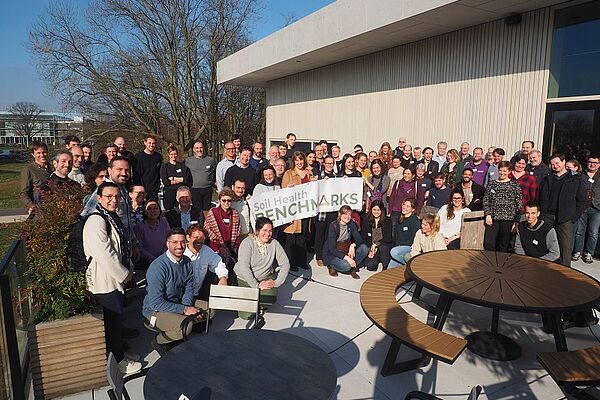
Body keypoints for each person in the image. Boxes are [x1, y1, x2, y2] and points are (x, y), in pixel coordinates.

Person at [83, 182, 140, 374]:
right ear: (98, 198)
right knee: (112, 323)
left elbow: (120, 245)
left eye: (116, 196)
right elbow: (105, 254)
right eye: (108, 196)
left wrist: (128, 265)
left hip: (113, 279)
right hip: (103, 282)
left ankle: (118, 355)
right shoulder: (96, 221)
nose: (113, 200)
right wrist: (124, 275)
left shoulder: (111, 217)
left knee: (116, 321)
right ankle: (118, 362)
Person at [142, 228, 206, 353]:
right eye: (175, 242)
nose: (179, 246)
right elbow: (156, 303)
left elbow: (189, 287)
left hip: (178, 303)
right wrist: (184, 310)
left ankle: (178, 332)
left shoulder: (186, 261)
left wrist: (185, 306)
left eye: (182, 242)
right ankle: (159, 341)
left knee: (210, 310)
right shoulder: (158, 267)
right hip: (154, 311)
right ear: (167, 244)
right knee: (186, 326)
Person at [234, 217, 291, 319]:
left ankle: (258, 302)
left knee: (270, 298)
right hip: (244, 279)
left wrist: (277, 282)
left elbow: (285, 263)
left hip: (264, 277)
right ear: (257, 231)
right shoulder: (247, 243)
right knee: (246, 316)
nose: (268, 234)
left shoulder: (274, 243)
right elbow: (244, 267)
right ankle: (247, 298)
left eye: (270, 231)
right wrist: (257, 286)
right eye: (264, 230)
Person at [538, 153, 587, 266]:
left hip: (565, 219)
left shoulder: (575, 179)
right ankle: (545, 269)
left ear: (564, 162)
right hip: (547, 216)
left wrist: (573, 218)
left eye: (557, 163)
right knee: (546, 245)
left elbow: (581, 200)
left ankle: (565, 273)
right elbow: (539, 197)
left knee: (565, 247)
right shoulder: (547, 178)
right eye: (552, 164)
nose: (555, 166)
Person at [281, 152, 313, 270]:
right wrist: (287, 188)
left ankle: (302, 261)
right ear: (293, 162)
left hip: (305, 210)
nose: (299, 162)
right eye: (297, 160)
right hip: (293, 211)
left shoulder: (309, 173)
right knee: (291, 238)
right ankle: (291, 263)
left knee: (302, 237)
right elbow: (283, 192)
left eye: (301, 160)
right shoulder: (288, 174)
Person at [483, 161, 522, 252]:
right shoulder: (492, 184)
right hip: (493, 218)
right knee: (489, 243)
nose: (502, 173)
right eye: (500, 170)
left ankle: (500, 264)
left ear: (509, 171)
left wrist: (516, 221)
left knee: (503, 245)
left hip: (508, 219)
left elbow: (518, 203)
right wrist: (487, 214)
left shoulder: (514, 184)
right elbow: (486, 199)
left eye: (504, 171)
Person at [184, 224, 228, 300]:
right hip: (181, 295)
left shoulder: (206, 251)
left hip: (198, 294)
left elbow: (218, 263)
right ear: (188, 237)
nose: (199, 240)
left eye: (202, 238)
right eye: (196, 237)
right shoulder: (181, 251)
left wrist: (223, 278)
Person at [322, 205, 368, 279]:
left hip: (345, 249)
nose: (347, 216)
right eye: (345, 214)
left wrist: (353, 245)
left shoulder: (351, 223)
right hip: (333, 253)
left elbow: (359, 240)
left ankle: (352, 268)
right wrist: (347, 258)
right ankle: (331, 266)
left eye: (349, 214)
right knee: (346, 266)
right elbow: (332, 249)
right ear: (340, 214)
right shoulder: (333, 225)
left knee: (364, 248)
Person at [573, 155, 600, 263]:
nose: (592, 164)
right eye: (590, 162)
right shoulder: (580, 175)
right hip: (582, 207)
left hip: (596, 208)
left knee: (593, 232)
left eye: (595, 163)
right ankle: (577, 251)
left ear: (599, 164)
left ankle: (589, 253)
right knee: (579, 231)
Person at [204, 188, 241, 268]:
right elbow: (208, 229)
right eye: (224, 200)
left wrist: (236, 246)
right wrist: (219, 246)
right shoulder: (213, 212)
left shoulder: (235, 213)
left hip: (231, 247)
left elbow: (238, 231)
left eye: (229, 200)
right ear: (219, 200)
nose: (226, 203)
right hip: (216, 247)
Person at [314, 156, 338, 266]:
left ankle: (326, 254)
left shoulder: (337, 177)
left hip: (332, 211)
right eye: (327, 163)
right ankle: (319, 256)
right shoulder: (319, 177)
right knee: (320, 234)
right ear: (323, 164)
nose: (329, 165)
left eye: (331, 163)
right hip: (322, 211)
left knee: (330, 234)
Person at [134, 200, 169, 270]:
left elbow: (169, 239)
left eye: (155, 208)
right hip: (147, 262)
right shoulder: (139, 227)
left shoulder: (164, 222)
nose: (153, 211)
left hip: (164, 258)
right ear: (145, 212)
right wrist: (154, 259)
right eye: (149, 209)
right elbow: (139, 248)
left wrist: (163, 257)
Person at [185, 140, 216, 216]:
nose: (199, 150)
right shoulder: (188, 161)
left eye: (201, 147)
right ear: (193, 150)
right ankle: (198, 226)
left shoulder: (210, 160)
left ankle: (207, 226)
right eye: (197, 148)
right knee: (197, 211)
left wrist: (214, 181)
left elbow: (214, 172)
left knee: (207, 210)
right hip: (194, 189)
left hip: (207, 188)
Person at [20, 141, 51, 214]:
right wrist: (31, 205)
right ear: (33, 154)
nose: (42, 155)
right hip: (40, 208)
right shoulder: (29, 169)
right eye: (38, 153)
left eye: (44, 152)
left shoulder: (53, 168)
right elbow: (24, 192)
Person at [388, 198, 420, 268]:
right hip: (398, 247)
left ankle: (412, 265)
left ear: (413, 209)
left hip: (409, 247)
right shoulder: (400, 218)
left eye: (407, 206)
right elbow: (396, 235)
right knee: (389, 270)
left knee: (394, 252)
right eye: (404, 204)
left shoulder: (415, 220)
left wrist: (400, 247)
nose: (404, 207)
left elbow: (414, 239)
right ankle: (405, 264)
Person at [361, 201, 392, 271]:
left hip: (382, 246)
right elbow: (363, 237)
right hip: (371, 247)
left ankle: (385, 266)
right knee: (371, 266)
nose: (376, 212)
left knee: (383, 248)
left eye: (378, 210)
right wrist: (370, 249)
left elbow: (388, 238)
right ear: (371, 209)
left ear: (382, 210)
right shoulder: (366, 219)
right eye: (374, 210)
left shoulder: (387, 220)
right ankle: (376, 259)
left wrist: (376, 244)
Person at [160, 145, 193, 210]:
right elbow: (166, 182)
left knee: (181, 210)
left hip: (181, 193)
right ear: (168, 155)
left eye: (175, 154)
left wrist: (172, 178)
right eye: (171, 154)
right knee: (169, 211)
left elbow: (186, 180)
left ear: (177, 154)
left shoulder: (183, 166)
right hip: (169, 193)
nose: (173, 156)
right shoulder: (165, 167)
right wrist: (180, 179)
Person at [388, 168, 416, 233]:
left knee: (405, 231)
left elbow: (419, 199)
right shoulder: (398, 183)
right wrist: (389, 211)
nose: (406, 175)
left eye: (408, 174)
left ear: (413, 175)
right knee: (394, 230)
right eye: (405, 173)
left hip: (408, 212)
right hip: (396, 211)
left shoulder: (416, 185)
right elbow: (392, 197)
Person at [135, 135, 162, 201]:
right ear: (145, 143)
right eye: (149, 143)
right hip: (142, 189)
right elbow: (137, 175)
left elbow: (158, 173)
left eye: (153, 143)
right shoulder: (138, 157)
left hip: (154, 190)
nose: (151, 145)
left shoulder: (158, 157)